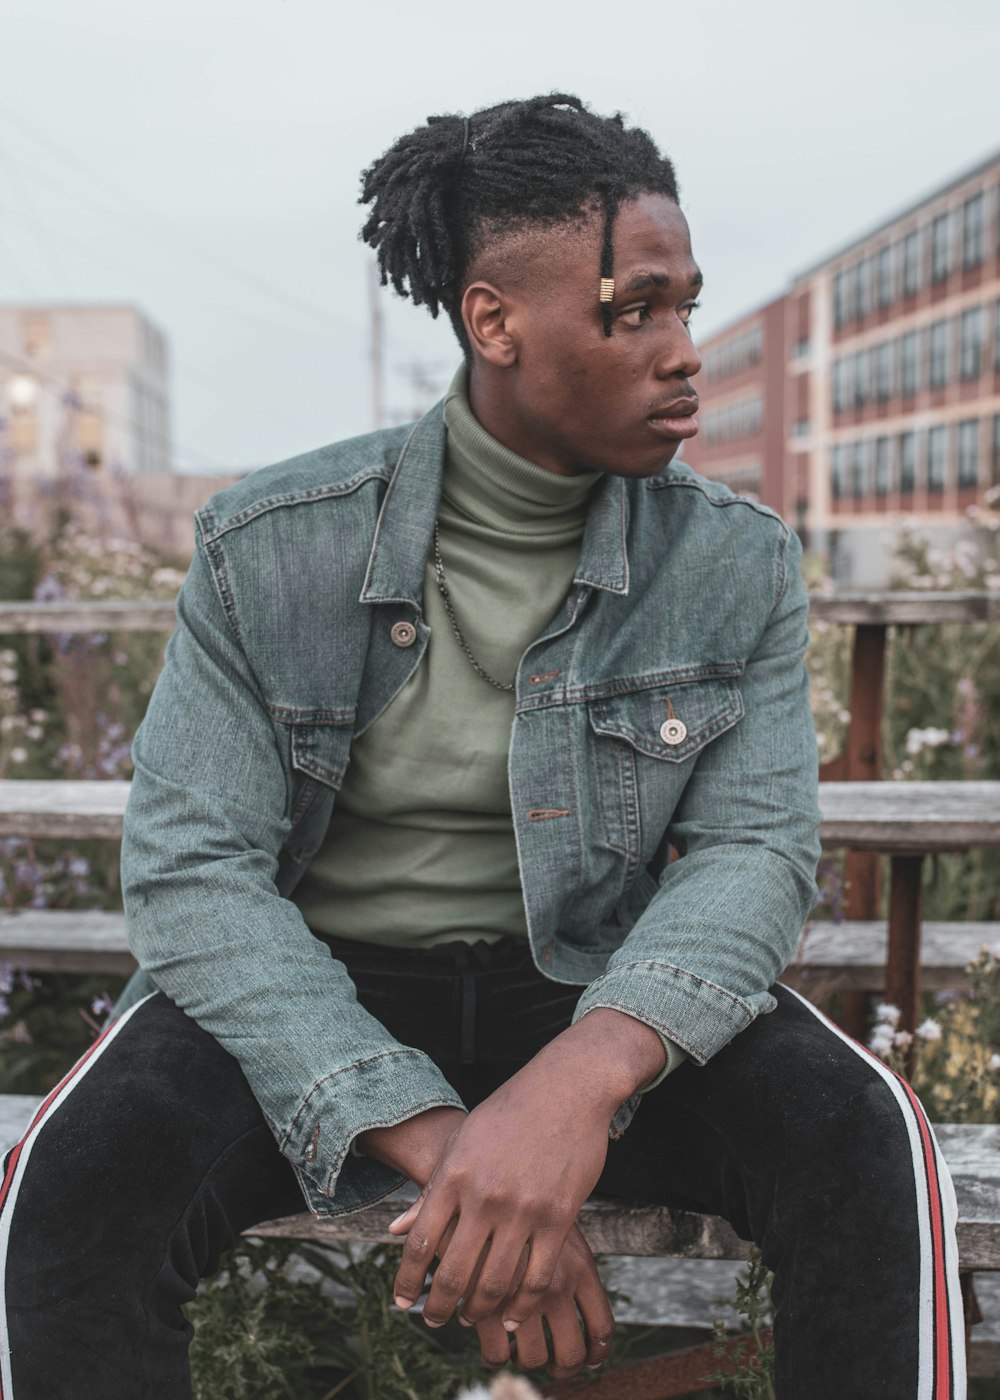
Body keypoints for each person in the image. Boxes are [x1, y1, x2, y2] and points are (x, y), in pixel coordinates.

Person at [0, 95, 964, 1399]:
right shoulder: (273, 545)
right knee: (71, 1191)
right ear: (495, 320)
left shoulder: (733, 561)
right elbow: (193, 874)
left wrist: (574, 1088)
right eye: (638, 311)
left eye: (690, 305)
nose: (687, 354)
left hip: (599, 992)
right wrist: (467, 1150)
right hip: (314, 988)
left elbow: (753, 848)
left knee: (871, 1151)